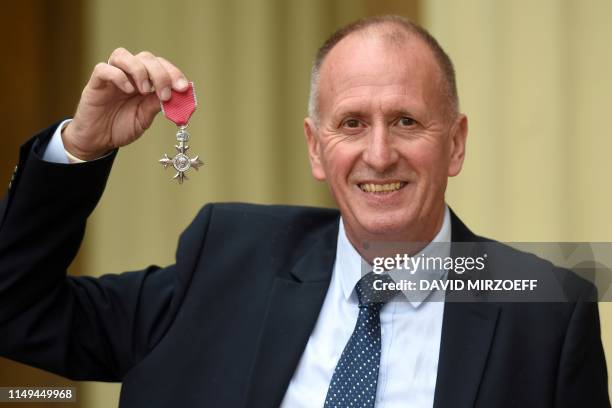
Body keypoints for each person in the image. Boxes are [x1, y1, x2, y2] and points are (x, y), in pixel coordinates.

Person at [0, 15, 609, 408]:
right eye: (351, 124)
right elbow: (17, 309)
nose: (378, 154)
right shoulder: (227, 260)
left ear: (455, 143)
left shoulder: (547, 315)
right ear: (317, 149)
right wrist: (80, 148)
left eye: (406, 121)